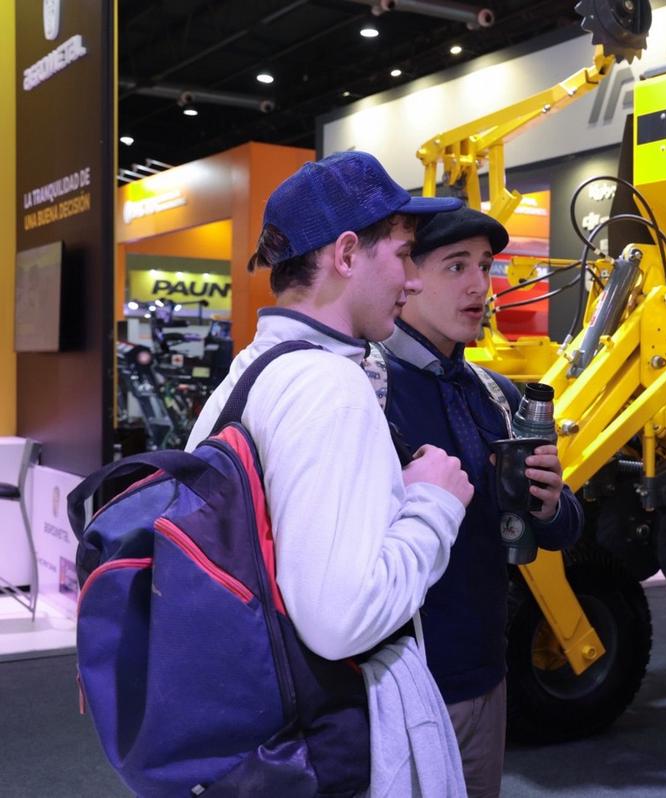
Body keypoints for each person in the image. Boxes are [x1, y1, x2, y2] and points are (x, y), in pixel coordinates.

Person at [186, 150, 474, 795]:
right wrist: (434, 504)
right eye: (402, 254)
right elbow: (340, 617)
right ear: (346, 255)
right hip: (336, 744)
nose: (414, 280)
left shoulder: (249, 373)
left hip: (267, 730)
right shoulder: (328, 387)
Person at [377, 207, 584, 798]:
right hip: (401, 688)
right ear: (407, 276)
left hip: (487, 675)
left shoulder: (496, 393)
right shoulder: (369, 390)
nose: (479, 285)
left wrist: (548, 503)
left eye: (486, 267)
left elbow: (561, 528)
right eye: (456, 266)